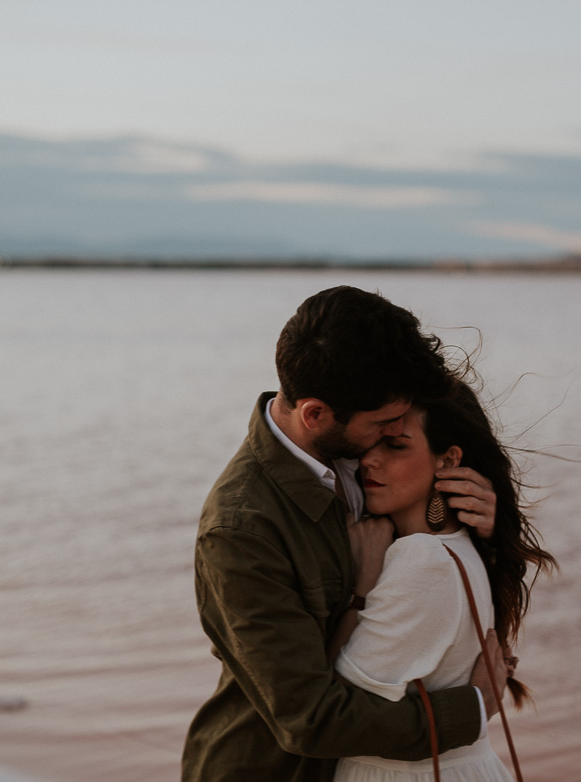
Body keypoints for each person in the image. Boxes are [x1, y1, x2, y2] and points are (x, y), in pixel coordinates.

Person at [182, 286, 508, 782]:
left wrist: (479, 531)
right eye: (385, 424)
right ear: (315, 414)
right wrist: (475, 707)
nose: (392, 432)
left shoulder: (369, 459)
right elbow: (308, 719)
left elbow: (434, 609)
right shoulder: (242, 530)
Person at [332, 379, 557, 781]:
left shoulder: (422, 559)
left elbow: (333, 707)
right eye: (371, 442)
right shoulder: (463, 544)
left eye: (396, 446)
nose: (369, 460)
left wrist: (360, 590)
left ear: (447, 460)